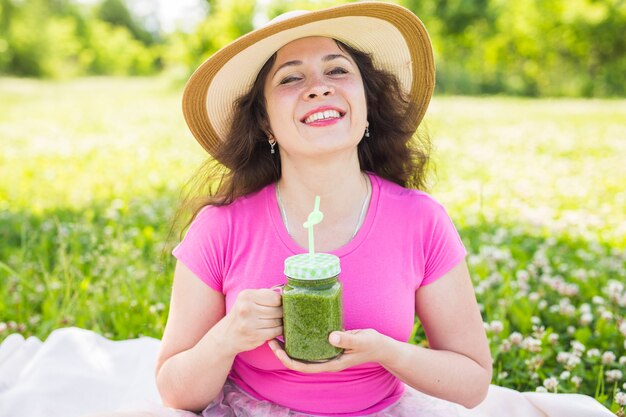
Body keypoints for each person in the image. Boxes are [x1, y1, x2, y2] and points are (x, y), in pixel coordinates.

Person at [156, 3, 492, 416]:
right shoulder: (222, 227)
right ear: (264, 122)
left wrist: (387, 353)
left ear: (366, 102)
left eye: (337, 70)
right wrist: (227, 336)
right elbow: (175, 393)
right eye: (291, 77)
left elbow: (473, 383)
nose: (318, 87)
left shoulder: (421, 220)